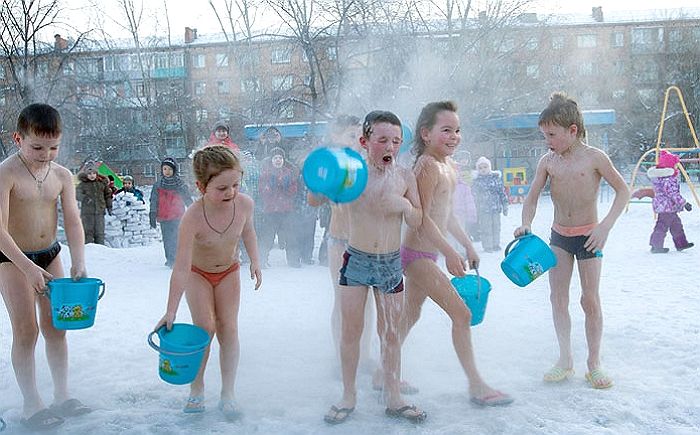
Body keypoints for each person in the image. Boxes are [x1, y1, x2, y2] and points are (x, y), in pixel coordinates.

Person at [400, 101, 513, 407]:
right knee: (462, 314)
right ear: (426, 133)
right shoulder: (425, 166)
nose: (454, 136)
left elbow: (446, 214)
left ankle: (384, 371)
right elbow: (422, 220)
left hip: (429, 253)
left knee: (410, 315)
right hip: (416, 255)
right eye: (446, 130)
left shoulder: (448, 166)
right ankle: (477, 386)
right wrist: (450, 252)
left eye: (457, 130)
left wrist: (467, 245)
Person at [514, 92, 630, 389]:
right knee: (558, 298)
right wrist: (525, 223)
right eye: (544, 135)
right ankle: (565, 359)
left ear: (572, 130)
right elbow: (531, 197)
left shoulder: (595, 158)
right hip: (559, 238)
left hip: (590, 236)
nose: (547, 141)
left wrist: (605, 227)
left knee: (589, 300)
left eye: (551, 134)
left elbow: (623, 191)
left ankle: (594, 363)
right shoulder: (548, 161)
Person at [324, 110, 425, 425]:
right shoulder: (354, 174)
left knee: (391, 333)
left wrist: (406, 206)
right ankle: (348, 394)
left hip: (390, 264)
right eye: (382, 140)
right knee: (351, 332)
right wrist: (324, 180)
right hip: (356, 260)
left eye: (396, 141)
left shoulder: (405, 177)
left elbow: (418, 219)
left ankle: (393, 396)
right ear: (365, 142)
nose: (390, 147)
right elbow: (318, 199)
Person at [154, 145, 262, 420]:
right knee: (205, 329)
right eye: (222, 188)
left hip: (229, 271)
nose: (231, 193)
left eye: (235, 185)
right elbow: (180, 267)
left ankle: (228, 393)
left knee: (228, 330)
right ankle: (197, 389)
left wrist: (256, 261)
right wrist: (170, 310)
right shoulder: (192, 217)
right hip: (197, 274)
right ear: (202, 187)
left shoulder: (245, 204)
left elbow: (248, 232)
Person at [0, 103, 90, 431]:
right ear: (18, 139)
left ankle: (62, 395)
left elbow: (74, 222)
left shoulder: (63, 175)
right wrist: (25, 267)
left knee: (57, 326)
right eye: (37, 147)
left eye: (53, 147)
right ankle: (30, 404)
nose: (46, 154)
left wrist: (79, 261)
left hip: (50, 253)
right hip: (11, 257)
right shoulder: (6, 173)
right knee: (27, 331)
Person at [307, 115, 381, 385]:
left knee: (368, 303)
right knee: (342, 302)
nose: (357, 140)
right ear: (336, 138)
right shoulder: (333, 166)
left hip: (369, 244)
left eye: (360, 135)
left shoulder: (370, 166)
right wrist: (319, 180)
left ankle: (364, 354)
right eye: (350, 135)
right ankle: (342, 355)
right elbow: (313, 200)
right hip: (340, 242)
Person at [647, 150, 694, 253]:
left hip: (666, 207)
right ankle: (656, 246)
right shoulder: (668, 179)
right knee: (662, 226)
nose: (676, 167)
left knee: (676, 225)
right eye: (675, 165)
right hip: (666, 207)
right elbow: (673, 194)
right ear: (669, 166)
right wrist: (684, 203)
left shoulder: (660, 177)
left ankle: (681, 244)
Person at [258, 147, 298, 267]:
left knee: (291, 236)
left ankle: (293, 260)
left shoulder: (289, 172)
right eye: (275, 158)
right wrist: (272, 187)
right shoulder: (265, 173)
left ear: (283, 159)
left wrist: (286, 189)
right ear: (271, 160)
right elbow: (262, 190)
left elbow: (294, 189)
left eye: (280, 158)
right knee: (267, 236)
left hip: (286, 209)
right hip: (270, 210)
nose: (278, 160)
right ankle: (262, 260)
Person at [149, 157, 192, 268]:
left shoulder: (180, 184)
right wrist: (152, 214)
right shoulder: (158, 185)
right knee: (167, 239)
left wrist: (193, 211)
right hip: (164, 217)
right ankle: (171, 260)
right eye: (165, 169)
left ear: (174, 170)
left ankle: (180, 259)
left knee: (178, 238)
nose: (167, 172)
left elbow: (187, 198)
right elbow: (153, 200)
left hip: (178, 216)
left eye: (169, 169)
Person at [472, 156, 509, 252]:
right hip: (483, 210)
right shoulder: (477, 182)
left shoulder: (495, 179)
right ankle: (487, 246)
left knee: (496, 227)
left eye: (485, 167)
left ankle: (495, 244)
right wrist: (475, 209)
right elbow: (474, 196)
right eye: (480, 168)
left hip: (496, 208)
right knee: (486, 228)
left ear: (489, 167)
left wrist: (505, 205)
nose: (483, 169)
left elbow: (502, 192)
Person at [76, 161, 113, 245]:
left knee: (99, 232)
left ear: (96, 173)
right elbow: (76, 194)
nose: (92, 175)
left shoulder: (102, 183)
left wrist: (109, 206)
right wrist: (85, 198)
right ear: (86, 174)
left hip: (100, 211)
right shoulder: (83, 184)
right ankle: (89, 249)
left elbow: (108, 195)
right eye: (89, 173)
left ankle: (100, 248)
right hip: (87, 213)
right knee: (88, 231)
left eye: (93, 173)